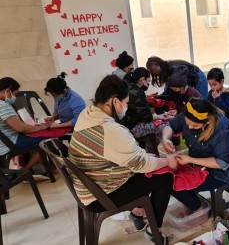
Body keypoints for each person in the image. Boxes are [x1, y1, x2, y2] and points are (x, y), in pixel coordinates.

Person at [68, 75, 176, 243]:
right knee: (165, 176)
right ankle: (154, 229)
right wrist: (168, 161)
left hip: (88, 184)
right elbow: (142, 165)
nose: (126, 107)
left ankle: (138, 212)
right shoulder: (109, 129)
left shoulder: (88, 113)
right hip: (99, 195)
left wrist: (146, 157)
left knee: (151, 164)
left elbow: (123, 154)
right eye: (125, 103)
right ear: (114, 101)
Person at [161, 98, 229, 215]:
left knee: (174, 184)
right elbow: (170, 124)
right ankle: (193, 204)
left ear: (207, 122)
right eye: (187, 124)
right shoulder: (190, 115)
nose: (190, 127)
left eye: (195, 126)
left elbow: (222, 163)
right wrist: (165, 138)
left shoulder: (223, 130)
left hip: (219, 174)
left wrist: (190, 159)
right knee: (165, 177)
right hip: (195, 164)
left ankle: (200, 211)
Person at [0, 77, 50, 171]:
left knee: (35, 133)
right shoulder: (2, 106)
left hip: (3, 143)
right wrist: (40, 127)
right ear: (7, 91)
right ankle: (26, 170)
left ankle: (38, 167)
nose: (14, 97)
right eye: (15, 94)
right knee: (47, 138)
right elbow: (21, 128)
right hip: (10, 144)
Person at [122, 67, 173, 144]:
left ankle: (148, 148)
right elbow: (147, 118)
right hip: (132, 127)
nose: (148, 83)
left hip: (123, 125)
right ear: (142, 80)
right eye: (148, 81)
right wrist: (161, 116)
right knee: (164, 127)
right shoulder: (138, 92)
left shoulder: (127, 87)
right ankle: (153, 150)